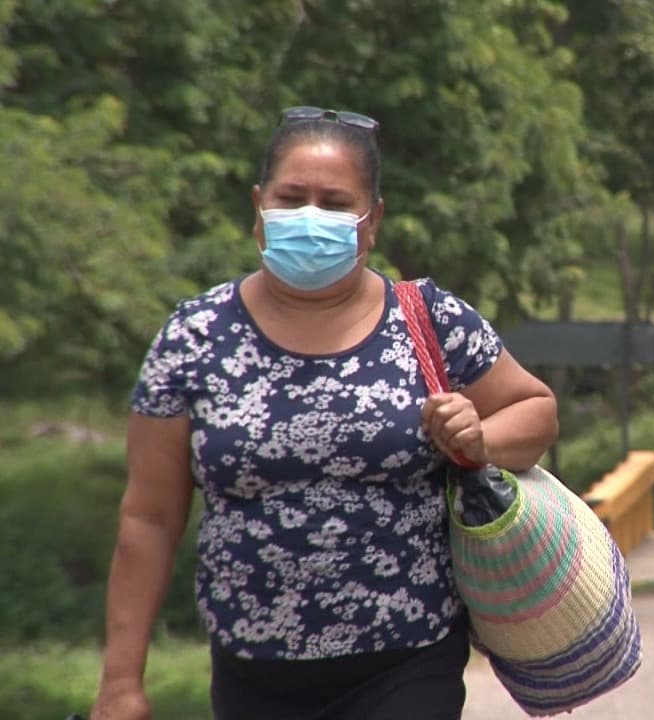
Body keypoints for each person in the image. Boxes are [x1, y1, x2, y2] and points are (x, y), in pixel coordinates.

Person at [90, 106, 558, 720]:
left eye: (336, 203)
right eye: (292, 197)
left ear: (372, 222)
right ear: (259, 207)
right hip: (252, 671)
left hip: (408, 659)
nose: (311, 216)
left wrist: (480, 436)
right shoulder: (195, 336)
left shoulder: (429, 321)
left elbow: (537, 411)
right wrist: (121, 680)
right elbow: (149, 516)